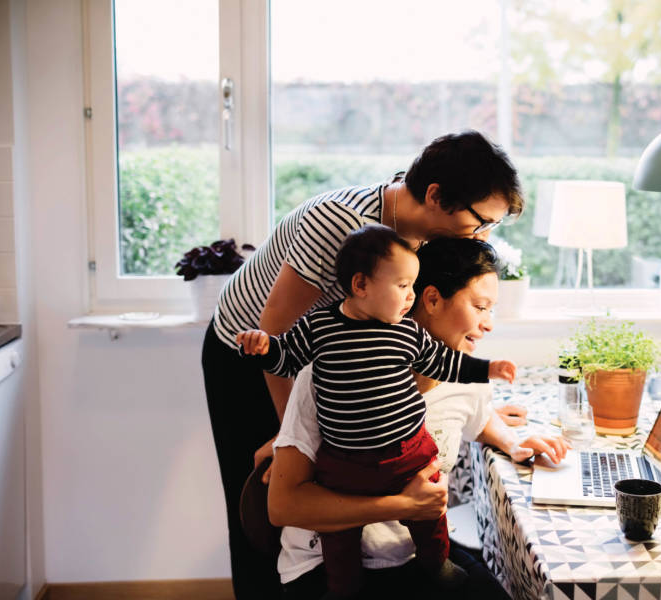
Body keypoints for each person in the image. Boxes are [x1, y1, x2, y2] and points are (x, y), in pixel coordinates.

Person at [201, 131, 524, 599]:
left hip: (316, 350)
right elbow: (276, 330)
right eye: (480, 221)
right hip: (250, 349)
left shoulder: (420, 225)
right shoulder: (339, 223)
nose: (483, 236)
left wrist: (484, 413)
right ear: (435, 196)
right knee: (261, 500)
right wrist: (287, 433)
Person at [267, 238, 570, 600]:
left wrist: (511, 440)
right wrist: (403, 506)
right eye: (479, 307)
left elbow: (477, 417)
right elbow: (281, 507)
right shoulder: (331, 373)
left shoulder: (465, 377)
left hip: (414, 554)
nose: (488, 325)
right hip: (326, 565)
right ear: (430, 299)